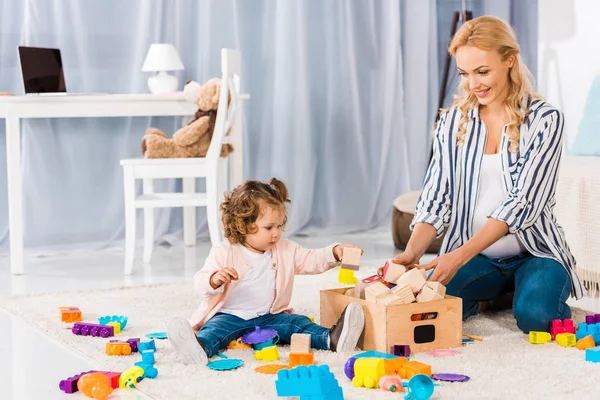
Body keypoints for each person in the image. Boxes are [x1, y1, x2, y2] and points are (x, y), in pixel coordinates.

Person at [389, 15, 583, 333]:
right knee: (425, 303)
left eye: (482, 71)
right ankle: (494, 299)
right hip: (478, 257)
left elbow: (523, 203)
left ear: (509, 60)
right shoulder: (452, 123)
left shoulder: (546, 120)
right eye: (464, 73)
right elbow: (437, 198)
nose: (472, 84)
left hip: (535, 252)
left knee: (537, 317)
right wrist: (412, 251)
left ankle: (519, 293)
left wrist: (457, 257)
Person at [167, 178, 365, 364]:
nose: (277, 233)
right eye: (269, 227)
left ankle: (331, 339)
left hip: (270, 316)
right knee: (214, 330)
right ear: (243, 226)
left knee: (297, 323)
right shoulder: (224, 251)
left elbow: (310, 259)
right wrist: (214, 280)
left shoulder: (285, 250)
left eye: (279, 226)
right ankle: (198, 348)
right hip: (230, 315)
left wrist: (334, 252)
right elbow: (200, 281)